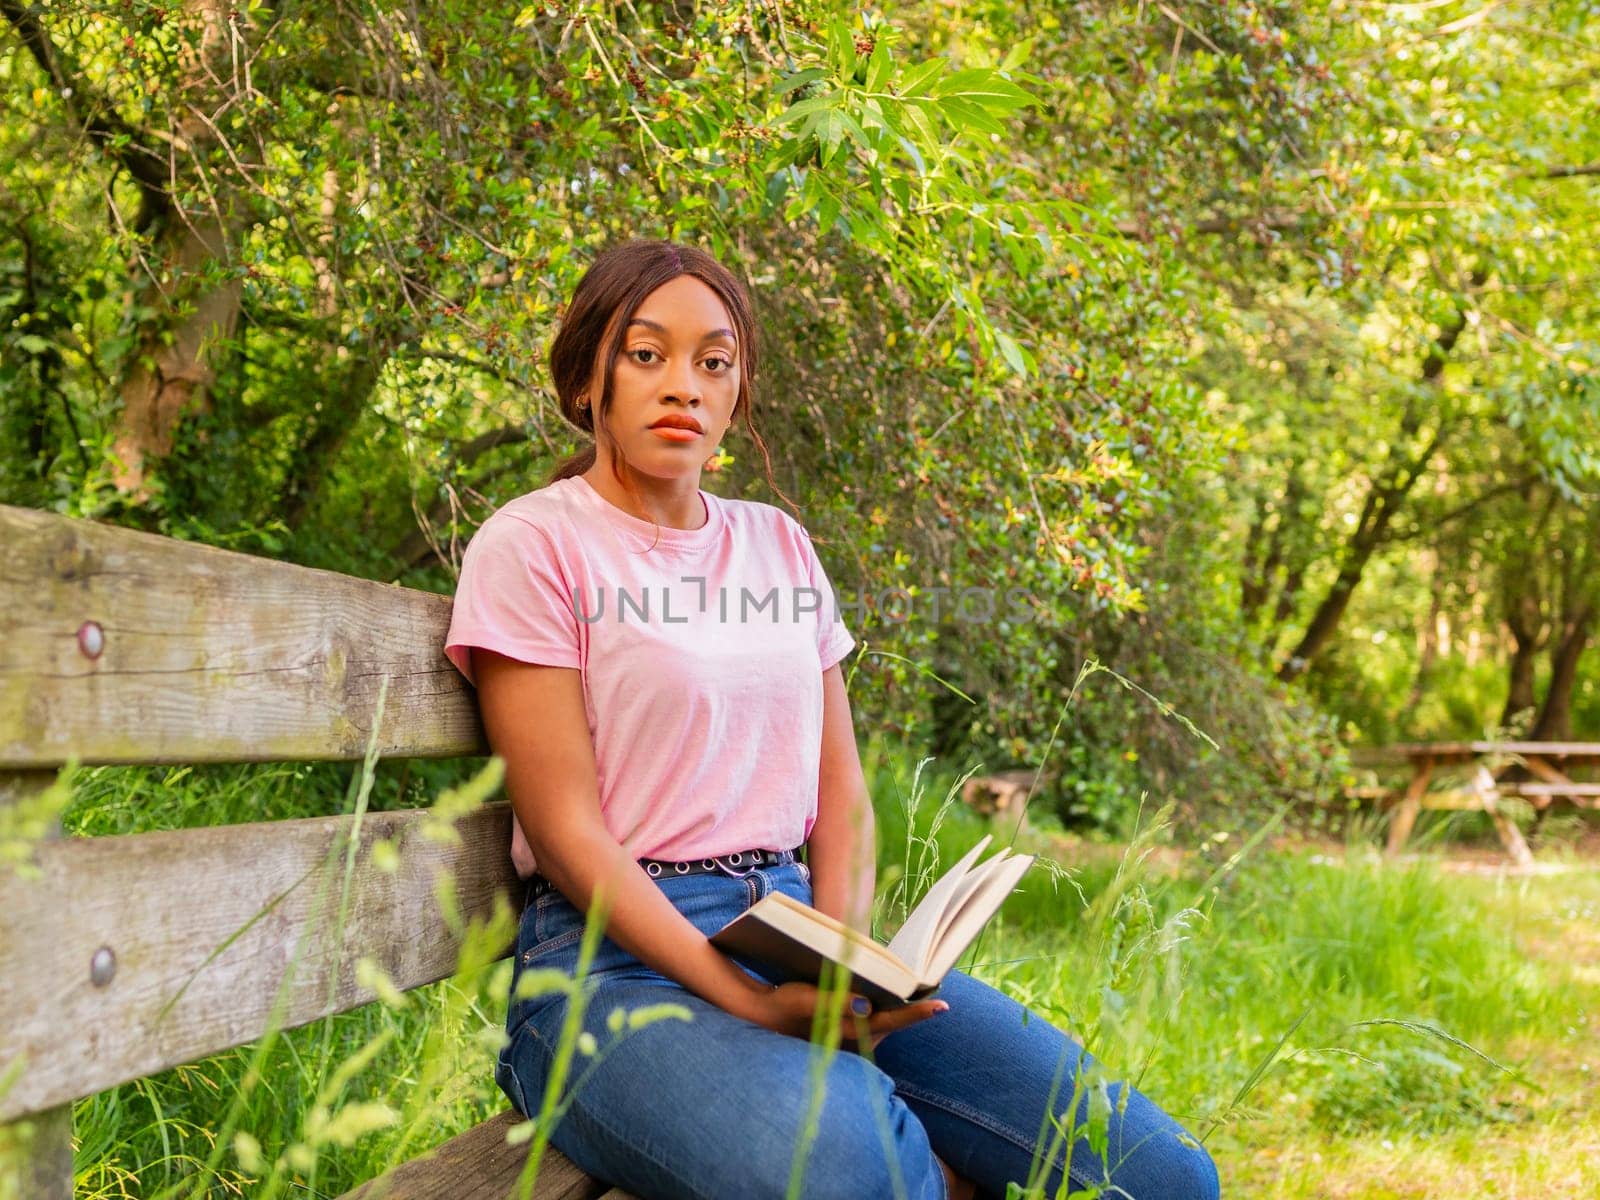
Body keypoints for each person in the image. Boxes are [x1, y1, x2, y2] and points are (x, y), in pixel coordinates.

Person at [443, 239, 1220, 1200]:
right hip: (612, 973)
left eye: (713, 362)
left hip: (792, 929)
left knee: (1163, 1177)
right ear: (587, 381)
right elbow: (566, 836)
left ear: (738, 394)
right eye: (646, 355)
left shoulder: (777, 545)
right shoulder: (534, 545)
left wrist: (850, 966)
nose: (681, 383)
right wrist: (743, 998)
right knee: (859, 1172)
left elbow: (840, 791)